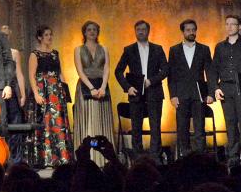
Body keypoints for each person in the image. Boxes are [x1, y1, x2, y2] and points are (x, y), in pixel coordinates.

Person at [114, 20, 168, 161]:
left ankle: (155, 158)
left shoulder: (158, 48)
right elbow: (118, 71)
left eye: (144, 29)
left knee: (155, 127)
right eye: (138, 29)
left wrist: (151, 81)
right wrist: (128, 87)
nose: (141, 31)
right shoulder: (128, 49)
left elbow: (166, 69)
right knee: (136, 127)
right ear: (135, 31)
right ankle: (137, 159)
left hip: (154, 91)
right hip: (135, 92)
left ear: (148, 31)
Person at [208, 14, 241, 167]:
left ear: (239, 26)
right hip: (226, 88)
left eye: (232, 24)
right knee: (230, 123)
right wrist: (215, 88)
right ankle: (233, 157)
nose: (229, 27)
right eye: (227, 24)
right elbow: (213, 70)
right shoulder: (220, 46)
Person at [167, 19, 214, 156]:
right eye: (188, 30)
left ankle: (201, 159)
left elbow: (209, 72)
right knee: (182, 128)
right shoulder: (174, 50)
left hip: (199, 94)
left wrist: (210, 93)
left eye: (193, 29)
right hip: (181, 95)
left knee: (200, 128)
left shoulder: (204, 49)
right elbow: (171, 75)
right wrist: (173, 95)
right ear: (183, 32)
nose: (191, 32)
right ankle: (185, 158)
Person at [27, 25, 72, 166]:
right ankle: (45, 158)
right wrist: (36, 94)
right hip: (42, 91)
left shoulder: (55, 53)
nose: (49, 37)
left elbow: (60, 73)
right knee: (45, 122)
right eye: (46, 35)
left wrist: (64, 90)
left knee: (58, 123)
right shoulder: (35, 54)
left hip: (56, 91)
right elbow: (31, 75)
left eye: (50, 34)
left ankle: (61, 157)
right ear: (40, 37)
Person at [73, 21, 114, 166]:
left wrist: (102, 87)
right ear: (84, 32)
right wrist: (91, 88)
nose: (92, 32)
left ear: (98, 32)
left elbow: (107, 68)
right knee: (88, 120)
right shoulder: (78, 49)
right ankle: (87, 158)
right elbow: (80, 71)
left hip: (102, 88)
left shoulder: (104, 48)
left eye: (94, 29)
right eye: (89, 29)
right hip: (85, 87)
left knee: (100, 120)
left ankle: (102, 158)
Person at [0, 25, 28, 162]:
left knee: (16, 123)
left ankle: (15, 159)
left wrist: (23, 94)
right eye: (2, 34)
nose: (5, 37)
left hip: (13, 90)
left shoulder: (14, 52)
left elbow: (19, 74)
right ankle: (1, 156)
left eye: (7, 34)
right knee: (0, 123)